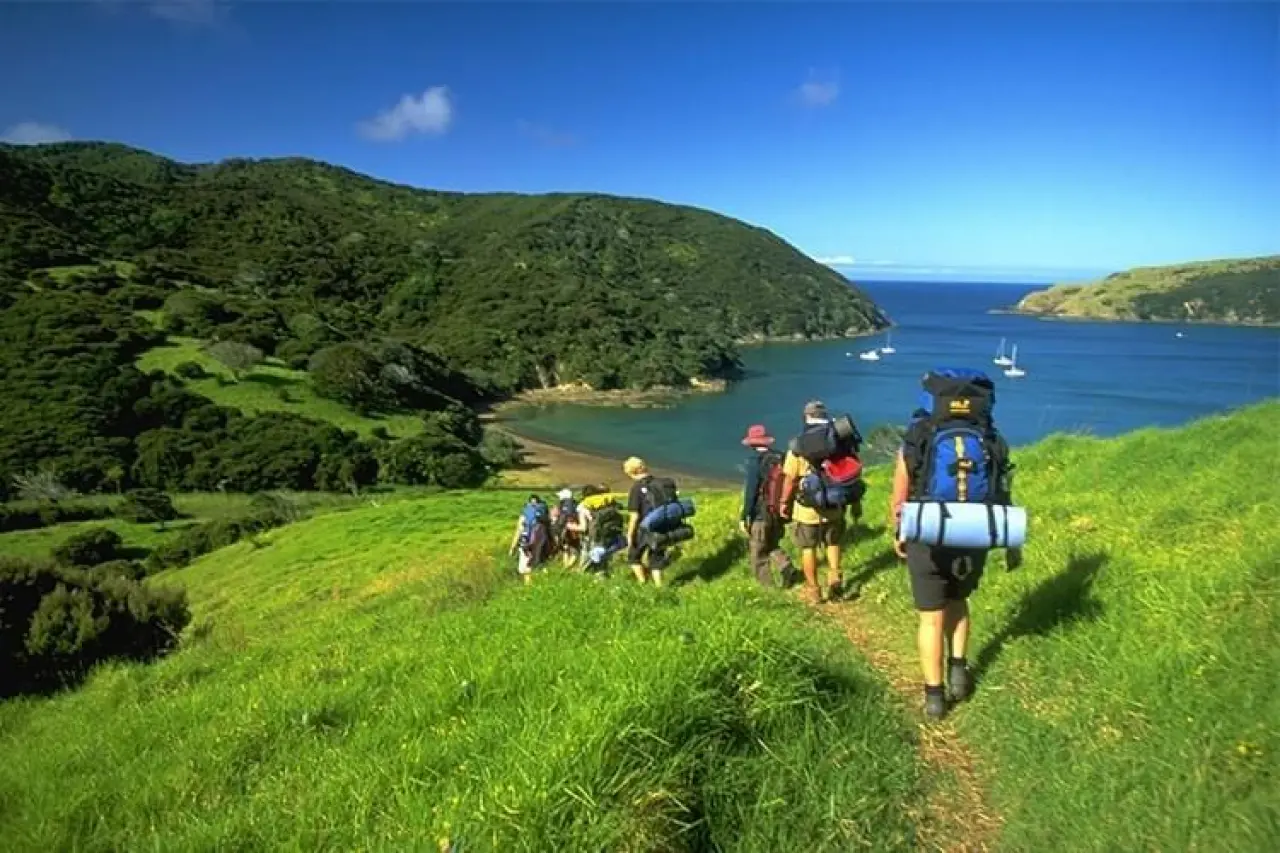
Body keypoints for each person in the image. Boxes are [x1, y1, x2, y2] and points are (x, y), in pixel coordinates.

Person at [890, 368, 1014, 720]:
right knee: (959, 601)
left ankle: (934, 697)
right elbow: (1001, 486)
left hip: (927, 531)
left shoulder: (919, 435)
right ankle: (958, 671)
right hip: (974, 530)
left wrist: (899, 527)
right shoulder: (990, 436)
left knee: (930, 618)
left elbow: (901, 487)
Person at [780, 401, 845, 603]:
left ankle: (814, 590)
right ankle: (834, 576)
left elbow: (790, 479)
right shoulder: (838, 441)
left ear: (806, 417)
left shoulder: (798, 445)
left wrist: (784, 502)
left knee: (808, 548)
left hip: (807, 508)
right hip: (834, 504)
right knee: (832, 542)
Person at [738, 424, 796, 587]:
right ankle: (786, 566)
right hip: (778, 512)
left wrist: (745, 516)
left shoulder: (754, 463)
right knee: (771, 544)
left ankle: (768, 589)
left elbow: (751, 492)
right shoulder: (780, 457)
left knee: (758, 553)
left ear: (751, 444)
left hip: (760, 514)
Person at [623, 456, 670, 587]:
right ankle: (659, 587)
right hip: (661, 525)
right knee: (656, 558)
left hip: (643, 528)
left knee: (633, 557)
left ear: (632, 472)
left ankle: (642, 581)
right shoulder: (659, 483)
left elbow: (634, 515)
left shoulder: (636, 488)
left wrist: (629, 534)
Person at [508, 494, 550, 585]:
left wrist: (512, 547)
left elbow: (518, 531)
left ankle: (528, 587)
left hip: (527, 542)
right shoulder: (543, 511)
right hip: (541, 541)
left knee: (525, 568)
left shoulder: (526, 512)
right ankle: (547, 583)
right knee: (541, 563)